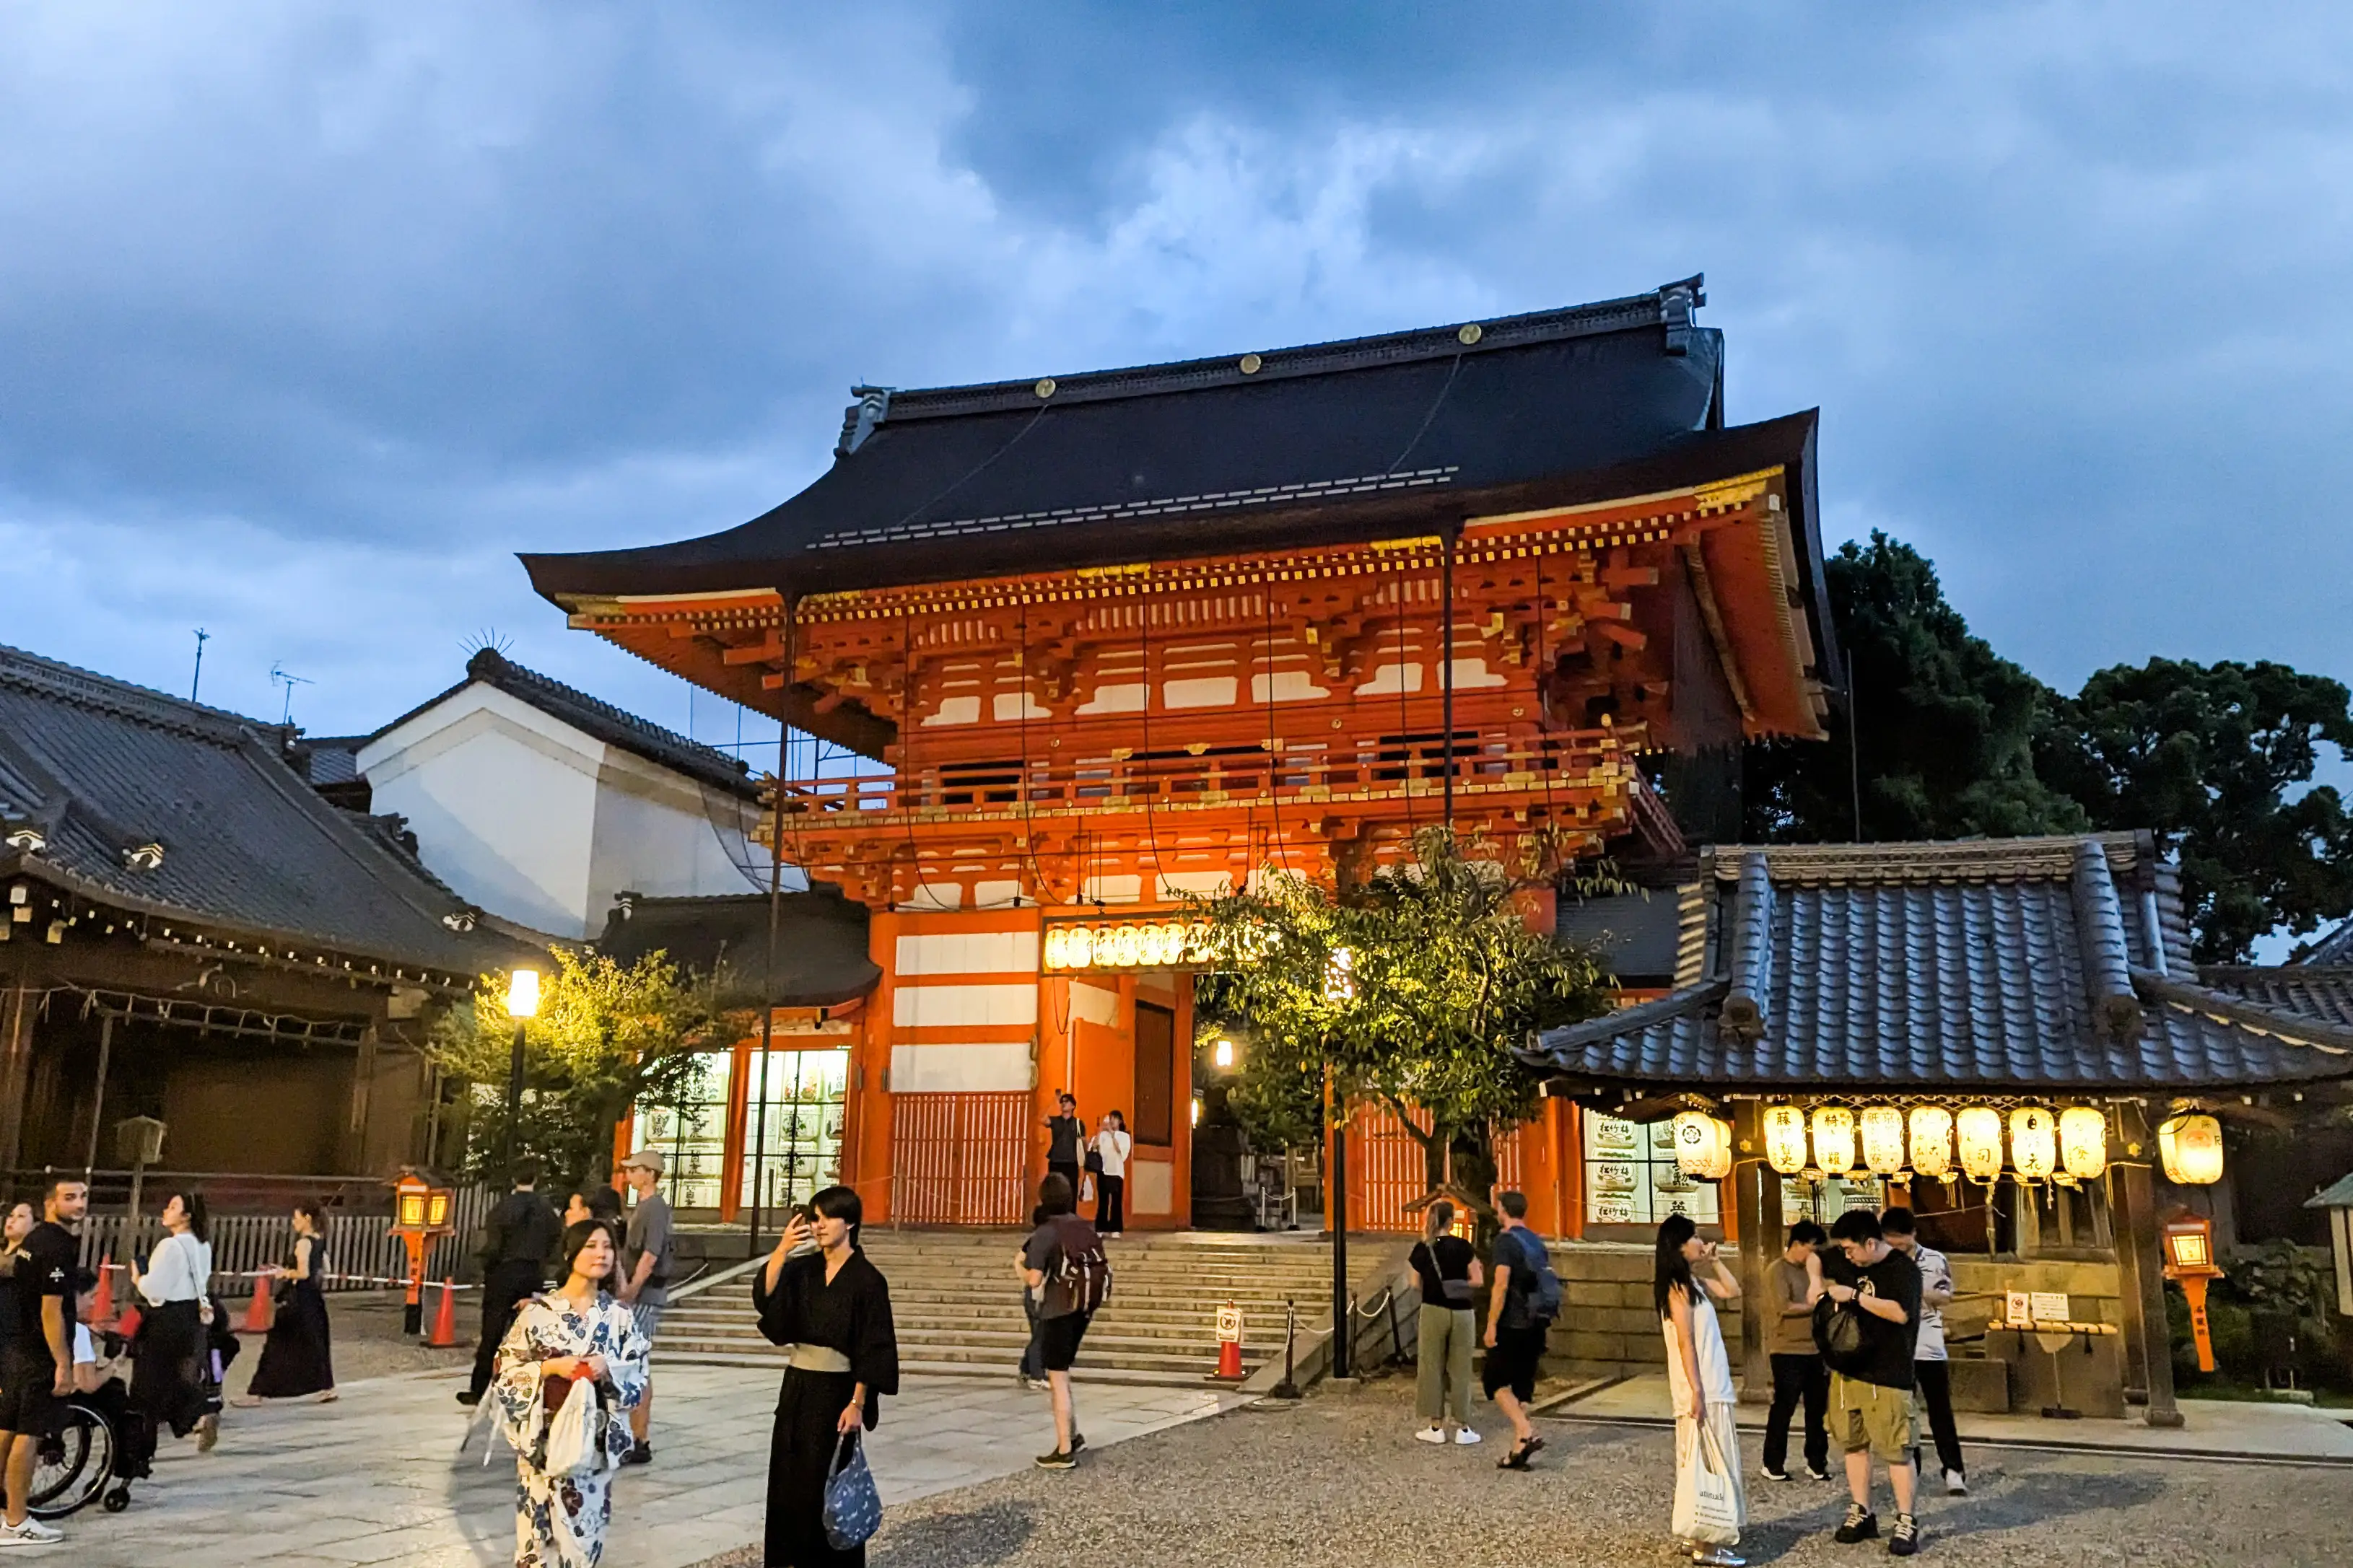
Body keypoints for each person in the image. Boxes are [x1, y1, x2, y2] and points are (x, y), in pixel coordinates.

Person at [752, 1186, 901, 1566]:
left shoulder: (868, 1280)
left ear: (849, 1222)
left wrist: (858, 1402)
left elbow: (874, 1345)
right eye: (814, 1218)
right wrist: (782, 1249)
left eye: (826, 1218)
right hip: (797, 1385)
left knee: (829, 1481)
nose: (818, 1226)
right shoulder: (803, 1270)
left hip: (837, 1391)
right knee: (789, 1480)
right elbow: (766, 1300)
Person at [489, 1220, 649, 1568]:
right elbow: (504, 1370)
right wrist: (549, 1369)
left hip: (591, 1445)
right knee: (536, 1542)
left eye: (608, 1247)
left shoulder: (620, 1316)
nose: (602, 1254)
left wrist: (608, 1367)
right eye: (592, 1245)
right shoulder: (536, 1313)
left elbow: (638, 1372)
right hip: (543, 1442)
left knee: (582, 1543)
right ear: (569, 1252)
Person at [1820, 1208, 1924, 1556]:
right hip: (1848, 1370)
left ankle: (1906, 1519)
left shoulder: (1902, 1270)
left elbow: (1900, 1313)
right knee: (1853, 1443)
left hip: (1889, 1372)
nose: (1847, 1256)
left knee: (1896, 1448)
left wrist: (1855, 1297)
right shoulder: (1848, 1262)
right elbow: (1815, 1258)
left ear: (1871, 1242)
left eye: (1851, 1249)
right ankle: (1861, 1510)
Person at [1658, 1214, 1747, 1568]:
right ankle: (1707, 1546)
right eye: (1694, 1238)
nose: (1701, 1241)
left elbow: (1733, 1291)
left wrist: (1715, 1262)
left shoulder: (1691, 1283)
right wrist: (1697, 1390)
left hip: (1710, 1384)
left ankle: (1699, 1536)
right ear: (1679, 1247)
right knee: (1710, 1462)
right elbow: (1686, 1342)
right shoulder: (1678, 1289)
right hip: (1703, 1387)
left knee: (1703, 1461)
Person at [0, 1177, 84, 1548]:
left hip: (16, 1348)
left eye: (83, 1197)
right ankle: (17, 1521)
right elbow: (52, 1311)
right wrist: (63, 1363)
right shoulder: (55, 1247)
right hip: (38, 1353)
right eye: (70, 1198)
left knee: (5, 1429)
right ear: (51, 1203)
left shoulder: (33, 1242)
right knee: (27, 1435)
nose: (79, 1204)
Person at [127, 1188, 219, 1460]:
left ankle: (141, 1449)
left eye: (172, 1206)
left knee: (147, 1385)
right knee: (179, 1376)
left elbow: (155, 1290)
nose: (166, 1211)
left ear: (187, 1216)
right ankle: (198, 1413)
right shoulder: (202, 1245)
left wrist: (138, 1279)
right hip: (191, 1316)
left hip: (166, 1318)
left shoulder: (170, 1245)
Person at [1018, 1173, 1103, 1469]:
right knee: (1063, 1374)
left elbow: (1034, 1279)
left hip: (1059, 1308)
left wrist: (1019, 1266)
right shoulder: (1083, 1227)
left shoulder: (1047, 1231)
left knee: (1056, 1377)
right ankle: (1074, 1434)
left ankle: (1064, 1448)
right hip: (1084, 1308)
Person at [1880, 1207, 1965, 1496]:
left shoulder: (1933, 1259)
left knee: (1940, 1411)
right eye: (1889, 1240)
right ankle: (1910, 1469)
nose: (1895, 1246)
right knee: (1904, 1413)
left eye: (1900, 1240)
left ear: (1913, 1234)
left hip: (1929, 1346)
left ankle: (1953, 1469)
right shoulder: (1881, 1261)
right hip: (1896, 1348)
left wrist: (1914, 1290)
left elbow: (1946, 1295)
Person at [463, 1163, 564, 1409]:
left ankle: (479, 1388)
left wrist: (487, 1267)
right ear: (536, 1178)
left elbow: (494, 1244)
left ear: (513, 1178)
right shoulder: (546, 1210)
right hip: (533, 1273)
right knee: (530, 1333)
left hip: (503, 1273)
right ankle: (528, 1386)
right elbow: (554, 1239)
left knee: (492, 1332)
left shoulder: (502, 1208)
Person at [239, 1199, 337, 1405]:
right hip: (314, 1300)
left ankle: (257, 1392)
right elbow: (325, 1270)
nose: (293, 1222)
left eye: (296, 1218)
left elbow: (303, 1273)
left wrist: (283, 1273)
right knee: (316, 1344)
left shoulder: (303, 1243)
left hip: (297, 1301)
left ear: (307, 1218)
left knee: (277, 1345)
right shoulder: (320, 1241)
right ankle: (326, 1387)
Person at [1483, 1188, 1552, 1469]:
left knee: (1494, 1380)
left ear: (1503, 1210)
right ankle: (1518, 1450)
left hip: (1513, 1319)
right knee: (1523, 1383)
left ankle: (1525, 1430)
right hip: (1538, 1319)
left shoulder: (1505, 1242)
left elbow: (1501, 1283)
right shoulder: (1536, 1241)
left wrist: (1491, 1324)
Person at [614, 1149, 675, 1465]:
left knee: (635, 1363)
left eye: (635, 1169)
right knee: (634, 1363)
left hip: (645, 1296)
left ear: (649, 1174)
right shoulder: (645, 1207)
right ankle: (635, 1437)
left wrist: (631, 1290)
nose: (629, 1175)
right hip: (641, 1294)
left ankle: (639, 1438)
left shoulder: (654, 1209)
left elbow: (650, 1254)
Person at [1407, 1199, 1483, 1445]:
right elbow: (1478, 1280)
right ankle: (1463, 1428)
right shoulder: (1463, 1246)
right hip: (1462, 1313)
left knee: (1431, 1367)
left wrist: (1436, 1286)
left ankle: (1436, 1427)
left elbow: (1414, 1283)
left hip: (1433, 1310)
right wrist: (1459, 1286)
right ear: (1451, 1222)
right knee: (1460, 1369)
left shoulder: (1422, 1249)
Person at [1760, 1219, 1830, 1483]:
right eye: (1811, 1248)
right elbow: (1785, 1306)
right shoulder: (1777, 1270)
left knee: (1817, 1410)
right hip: (1787, 1349)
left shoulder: (1814, 1271)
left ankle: (1817, 1462)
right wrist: (1818, 1305)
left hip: (1815, 1349)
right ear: (1798, 1244)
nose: (1813, 1255)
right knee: (1784, 1407)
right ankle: (1773, 1462)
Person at [1091, 1111, 1132, 1236]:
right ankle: (1101, 1228)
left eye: (1114, 1119)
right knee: (1103, 1201)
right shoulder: (1103, 1135)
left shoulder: (1124, 1136)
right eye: (1111, 1119)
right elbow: (1094, 1148)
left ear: (1120, 1121)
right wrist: (1100, 1131)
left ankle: (1116, 1228)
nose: (1112, 1121)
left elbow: (1120, 1150)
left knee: (1116, 1201)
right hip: (1103, 1170)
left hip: (1116, 1172)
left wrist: (1113, 1134)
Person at [1044, 1094, 1083, 1204]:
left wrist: (1083, 1162)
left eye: (1067, 1101)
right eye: (1062, 1102)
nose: (1064, 1103)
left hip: (1072, 1162)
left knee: (1071, 1192)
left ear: (1073, 1106)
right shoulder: (1055, 1120)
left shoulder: (1078, 1123)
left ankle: (1071, 1217)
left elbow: (1084, 1142)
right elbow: (1041, 1118)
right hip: (1056, 1161)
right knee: (1054, 1191)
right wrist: (1053, 1102)